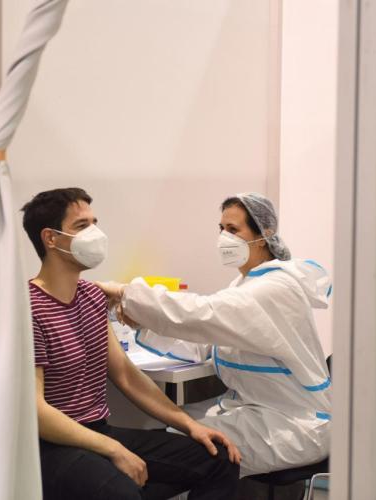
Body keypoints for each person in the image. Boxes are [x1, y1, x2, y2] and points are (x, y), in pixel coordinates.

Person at [21, 188, 240, 500]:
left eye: (94, 223)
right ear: (50, 238)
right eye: (82, 226)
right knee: (120, 491)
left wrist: (190, 425)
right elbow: (36, 411)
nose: (95, 234)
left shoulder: (92, 296)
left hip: (99, 430)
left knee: (219, 459)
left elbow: (125, 374)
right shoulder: (28, 307)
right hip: (53, 446)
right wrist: (113, 449)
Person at [97, 192, 332, 477]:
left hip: (297, 424)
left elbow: (202, 312)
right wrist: (143, 324)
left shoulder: (276, 288)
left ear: (264, 234)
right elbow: (206, 344)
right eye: (221, 228)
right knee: (177, 431)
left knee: (193, 449)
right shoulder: (244, 285)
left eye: (233, 229)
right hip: (259, 411)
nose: (224, 237)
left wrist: (126, 292)